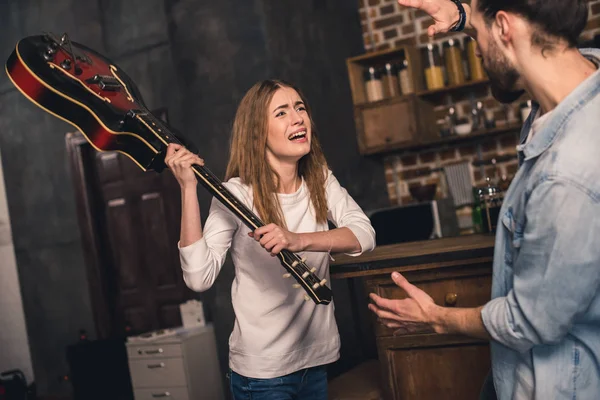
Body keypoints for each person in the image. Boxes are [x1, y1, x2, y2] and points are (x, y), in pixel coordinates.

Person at [368, 1, 600, 399]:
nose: (474, 49)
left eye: (476, 34)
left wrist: (437, 318)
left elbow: (528, 322)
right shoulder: (576, 84)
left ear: (505, 28)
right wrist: (467, 16)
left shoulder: (567, 173)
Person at [165, 79, 376, 400]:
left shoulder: (319, 179)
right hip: (263, 374)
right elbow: (198, 276)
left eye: (300, 108)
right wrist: (188, 188)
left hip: (316, 361)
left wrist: (297, 240)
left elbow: (364, 236)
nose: (297, 118)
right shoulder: (234, 195)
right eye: (281, 112)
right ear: (257, 133)